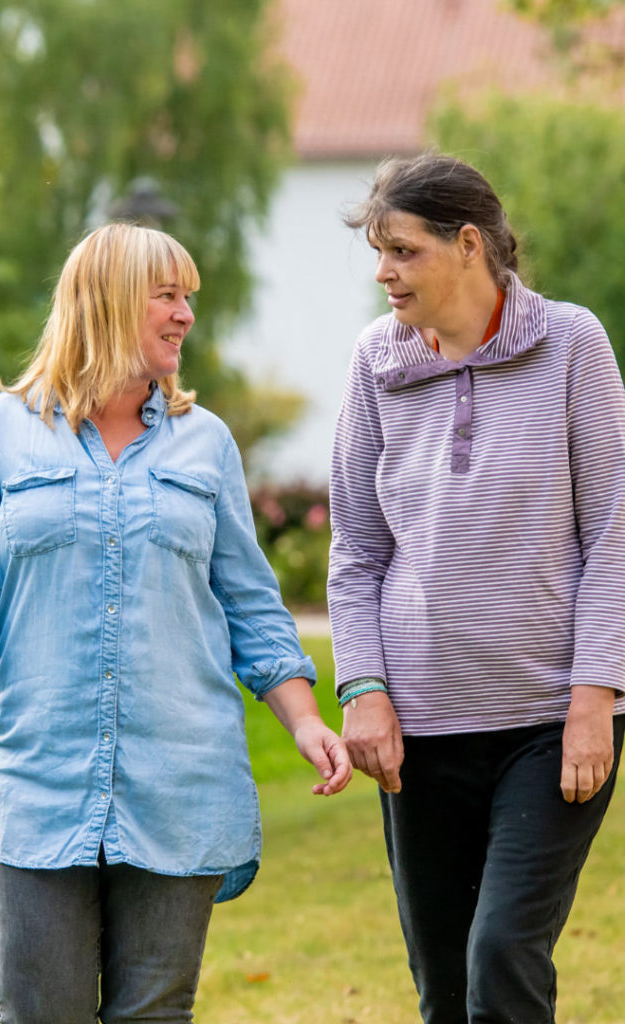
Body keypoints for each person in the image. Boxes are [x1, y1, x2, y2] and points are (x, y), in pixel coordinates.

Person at [0, 222, 352, 1024]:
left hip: (181, 780)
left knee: (156, 1014)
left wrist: (304, 720)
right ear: (107, 302)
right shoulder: (0, 431)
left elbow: (251, 603)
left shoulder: (207, 444)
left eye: (186, 298)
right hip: (40, 780)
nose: (184, 315)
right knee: (39, 1011)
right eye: (166, 295)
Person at [328, 153, 625, 1024]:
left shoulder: (571, 343)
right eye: (377, 253)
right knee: (445, 987)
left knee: (500, 951)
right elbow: (356, 550)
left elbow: (613, 532)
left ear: (467, 245)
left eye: (401, 251)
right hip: (419, 730)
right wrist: (364, 688)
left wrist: (593, 698)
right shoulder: (373, 361)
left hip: (546, 722)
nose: (382, 272)